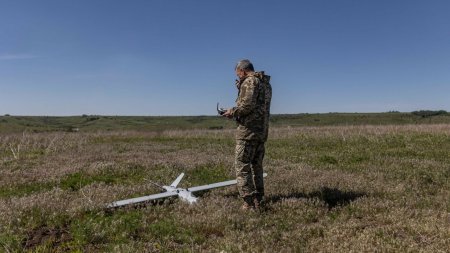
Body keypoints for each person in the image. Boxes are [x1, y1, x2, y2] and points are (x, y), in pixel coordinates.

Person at [223, 59, 272, 210]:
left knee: (242, 167)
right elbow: (258, 104)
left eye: (238, 74)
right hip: (260, 132)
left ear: (242, 71)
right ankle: (259, 197)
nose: (238, 77)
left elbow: (247, 106)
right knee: (257, 167)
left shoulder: (250, 81)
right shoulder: (265, 83)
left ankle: (249, 203)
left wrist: (232, 111)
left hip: (248, 132)